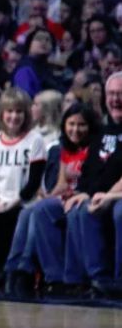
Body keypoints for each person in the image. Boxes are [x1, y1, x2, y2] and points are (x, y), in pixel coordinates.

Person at [34, 72, 122, 297]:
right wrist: (83, 192)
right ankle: (62, 280)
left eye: (120, 94)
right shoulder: (101, 132)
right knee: (45, 209)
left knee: (110, 211)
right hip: (100, 193)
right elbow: (90, 170)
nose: (115, 99)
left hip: (116, 196)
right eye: (112, 94)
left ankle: (105, 279)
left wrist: (104, 196)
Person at [4, 104, 98, 297]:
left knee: (41, 210)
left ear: (90, 126)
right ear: (64, 125)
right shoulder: (65, 149)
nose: (75, 129)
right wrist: (49, 196)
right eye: (71, 124)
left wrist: (69, 196)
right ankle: (14, 270)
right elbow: (62, 184)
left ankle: (30, 269)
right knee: (29, 211)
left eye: (81, 125)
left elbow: (93, 182)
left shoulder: (95, 148)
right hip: (65, 197)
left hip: (84, 197)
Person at [0, 87, 47, 289]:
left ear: (26, 114)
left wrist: (7, 206)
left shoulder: (35, 140)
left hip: (26, 204)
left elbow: (33, 184)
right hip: (1, 203)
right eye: (10, 111)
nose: (14, 116)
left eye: (19, 111)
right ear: (1, 113)